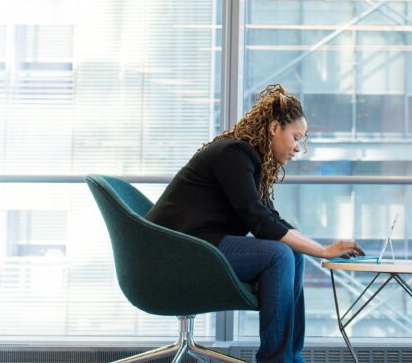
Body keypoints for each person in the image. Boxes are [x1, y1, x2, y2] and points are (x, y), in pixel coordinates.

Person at [146, 84, 364, 363]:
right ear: (274, 128)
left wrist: (316, 247)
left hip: (199, 243)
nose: (299, 147)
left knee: (291, 253)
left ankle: (290, 357)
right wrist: (322, 251)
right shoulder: (234, 154)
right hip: (175, 250)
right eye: (296, 137)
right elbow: (259, 222)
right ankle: (276, 360)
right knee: (279, 255)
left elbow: (268, 218)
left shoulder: (247, 157)